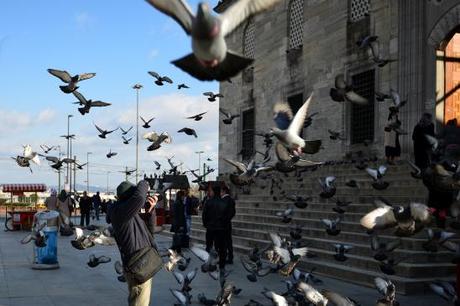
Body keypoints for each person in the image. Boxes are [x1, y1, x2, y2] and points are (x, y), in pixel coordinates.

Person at [108, 180, 158, 306]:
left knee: (138, 301)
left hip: (143, 263)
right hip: (138, 265)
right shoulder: (120, 212)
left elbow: (150, 233)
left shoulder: (128, 213)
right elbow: (140, 197)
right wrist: (145, 183)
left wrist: (150, 211)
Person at [202, 184, 232, 273]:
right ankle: (221, 265)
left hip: (211, 228)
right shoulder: (224, 202)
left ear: (214, 192)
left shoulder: (208, 202)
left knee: (209, 246)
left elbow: (204, 215)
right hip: (221, 228)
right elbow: (227, 216)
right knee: (222, 248)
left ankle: (209, 263)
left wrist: (206, 224)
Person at [220, 185, 236, 264]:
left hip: (222, 224)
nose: (220, 193)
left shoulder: (222, 200)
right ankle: (230, 258)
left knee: (223, 242)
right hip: (228, 223)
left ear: (224, 191)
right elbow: (233, 212)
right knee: (229, 241)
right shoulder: (231, 200)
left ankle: (224, 257)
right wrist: (228, 219)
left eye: (221, 192)